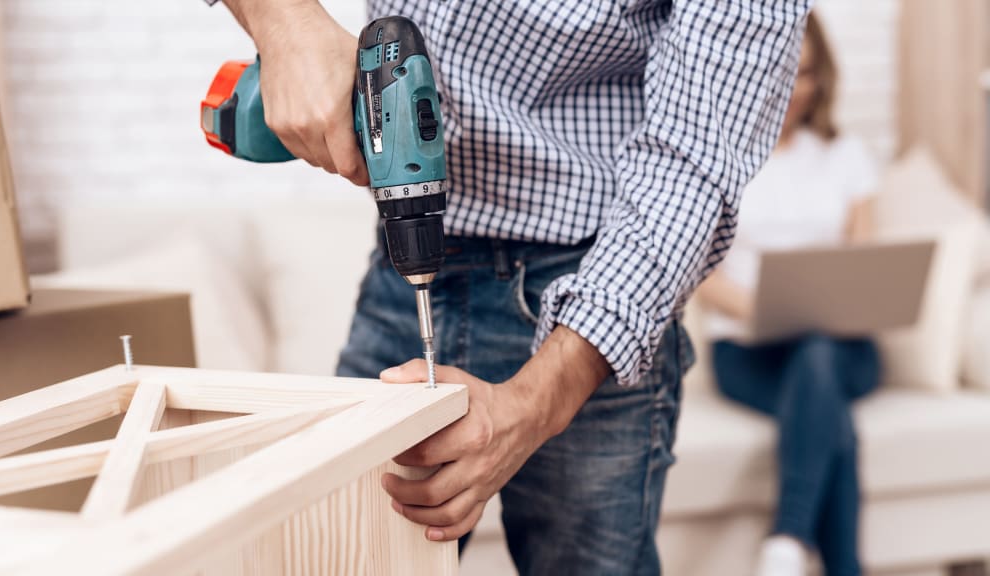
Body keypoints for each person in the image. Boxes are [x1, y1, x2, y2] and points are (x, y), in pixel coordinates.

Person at [210, 0, 812, 573]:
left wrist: (533, 403)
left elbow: (692, 166)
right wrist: (285, 23)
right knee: (337, 553)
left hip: (590, 288)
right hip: (407, 268)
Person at [697, 12, 880, 576]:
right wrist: (773, 310)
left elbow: (864, 265)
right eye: (783, 73)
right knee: (832, 422)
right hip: (749, 352)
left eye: (806, 74)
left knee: (820, 355)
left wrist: (821, 308)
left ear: (822, 78)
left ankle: (789, 539)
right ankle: (834, 562)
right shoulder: (720, 162)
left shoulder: (847, 158)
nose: (795, 89)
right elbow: (700, 276)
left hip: (844, 348)